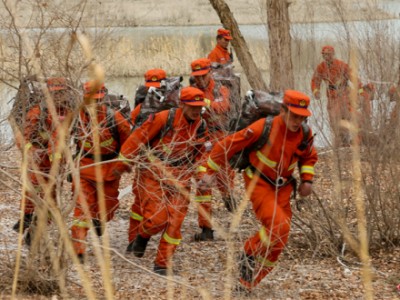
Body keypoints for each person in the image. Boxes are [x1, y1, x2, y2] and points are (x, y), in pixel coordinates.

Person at [197, 90, 318, 291]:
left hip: (285, 188)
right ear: (283, 111)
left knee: (279, 240)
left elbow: (308, 157)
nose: (298, 121)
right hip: (259, 183)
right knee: (278, 226)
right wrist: (209, 171)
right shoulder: (264, 127)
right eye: (294, 116)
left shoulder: (305, 133)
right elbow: (227, 144)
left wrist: (307, 179)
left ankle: (246, 284)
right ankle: (248, 253)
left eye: (302, 117)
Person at [116, 87, 209, 275]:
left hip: (181, 177)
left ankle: (162, 264)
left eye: (199, 107)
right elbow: (137, 139)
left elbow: (201, 155)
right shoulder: (162, 119)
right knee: (157, 219)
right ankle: (142, 236)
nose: (196, 111)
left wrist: (203, 175)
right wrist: (122, 163)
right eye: (192, 106)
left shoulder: (201, 126)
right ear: (182, 104)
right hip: (154, 174)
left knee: (175, 222)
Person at [70, 80, 131, 262]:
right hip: (85, 168)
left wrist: (121, 167)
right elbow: (60, 138)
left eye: (97, 100)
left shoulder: (115, 118)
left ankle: (99, 220)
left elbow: (130, 145)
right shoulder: (76, 118)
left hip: (110, 170)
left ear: (103, 98)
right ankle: (78, 251)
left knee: (108, 207)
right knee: (81, 209)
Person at [13, 77, 74, 245]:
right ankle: (26, 219)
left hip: (57, 166)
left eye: (61, 93)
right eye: (55, 93)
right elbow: (21, 137)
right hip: (38, 164)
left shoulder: (69, 113)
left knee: (51, 199)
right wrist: (31, 151)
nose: (58, 97)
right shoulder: (37, 112)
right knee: (33, 192)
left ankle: (38, 231)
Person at [190, 57, 236, 241]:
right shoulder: (190, 90)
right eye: (197, 76)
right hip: (201, 141)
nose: (200, 80)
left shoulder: (220, 89)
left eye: (203, 75)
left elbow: (223, 106)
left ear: (209, 72)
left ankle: (228, 198)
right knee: (202, 181)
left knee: (225, 177)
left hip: (220, 137)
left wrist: (204, 103)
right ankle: (206, 228)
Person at [311, 45, 352, 147]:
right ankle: (340, 141)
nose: (326, 57)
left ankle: (346, 141)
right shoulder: (321, 67)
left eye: (328, 54)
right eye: (324, 55)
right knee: (333, 119)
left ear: (333, 54)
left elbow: (353, 77)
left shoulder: (341, 65)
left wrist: (360, 89)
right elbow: (315, 81)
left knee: (346, 117)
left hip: (344, 95)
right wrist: (316, 91)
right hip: (332, 96)